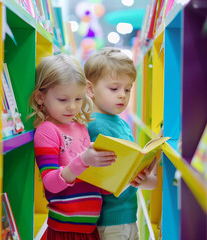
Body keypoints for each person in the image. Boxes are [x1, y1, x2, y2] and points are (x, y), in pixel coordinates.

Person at [29, 53, 117, 240]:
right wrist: (84, 160)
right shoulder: (47, 131)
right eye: (63, 100)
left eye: (78, 99)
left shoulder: (80, 127)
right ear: (40, 97)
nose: (72, 107)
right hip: (64, 231)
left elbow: (88, 179)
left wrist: (115, 178)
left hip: (89, 230)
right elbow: (51, 183)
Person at [85, 47, 158, 240]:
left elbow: (137, 181)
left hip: (128, 216)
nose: (122, 95)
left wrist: (145, 176)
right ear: (90, 89)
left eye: (127, 89)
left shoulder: (122, 123)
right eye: (114, 88)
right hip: (107, 222)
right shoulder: (91, 126)